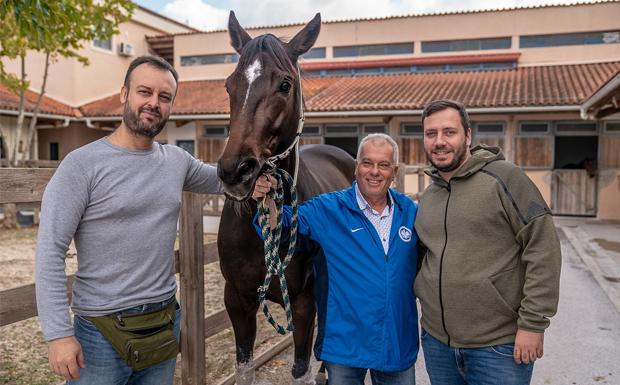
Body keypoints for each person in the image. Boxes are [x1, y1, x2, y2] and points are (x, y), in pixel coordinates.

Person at [35, 55, 222, 384]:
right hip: (100, 332)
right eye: (144, 92)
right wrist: (59, 335)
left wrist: (263, 176)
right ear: (124, 94)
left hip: (163, 322)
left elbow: (227, 179)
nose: (154, 103)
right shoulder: (81, 165)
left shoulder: (177, 161)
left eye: (164, 97)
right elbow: (50, 251)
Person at [414, 99, 562, 384]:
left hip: (498, 348)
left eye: (449, 132)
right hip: (437, 344)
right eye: (431, 134)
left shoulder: (505, 178)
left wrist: (533, 324)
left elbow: (543, 248)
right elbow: (424, 256)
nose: (439, 141)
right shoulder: (430, 195)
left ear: (468, 136)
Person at [252, 133, 419, 385]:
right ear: (356, 167)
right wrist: (267, 199)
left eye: (383, 165)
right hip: (345, 346)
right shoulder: (328, 209)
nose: (374, 172)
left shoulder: (412, 213)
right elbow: (283, 224)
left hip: (396, 344)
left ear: (394, 171)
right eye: (367, 163)